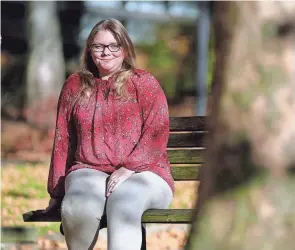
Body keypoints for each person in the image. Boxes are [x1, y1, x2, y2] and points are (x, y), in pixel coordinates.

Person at [44, 18, 174, 250]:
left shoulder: (144, 84)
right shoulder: (75, 86)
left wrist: (129, 167)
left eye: (113, 45)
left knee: (125, 200)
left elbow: (158, 132)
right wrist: (56, 192)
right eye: (98, 46)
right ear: (89, 50)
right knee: (78, 204)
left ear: (124, 49)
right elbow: (63, 139)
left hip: (145, 174)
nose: (106, 52)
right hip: (88, 170)